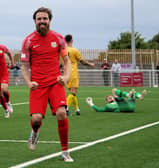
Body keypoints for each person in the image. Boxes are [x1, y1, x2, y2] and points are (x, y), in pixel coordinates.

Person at [21, 7, 73, 162]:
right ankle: (35, 132)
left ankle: (65, 151)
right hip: (38, 85)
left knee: (62, 113)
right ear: (35, 21)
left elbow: (66, 61)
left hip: (55, 83)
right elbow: (24, 66)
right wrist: (29, 82)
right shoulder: (28, 41)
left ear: (49, 20)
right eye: (39, 19)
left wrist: (66, 77)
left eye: (45, 19)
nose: (42, 21)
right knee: (36, 119)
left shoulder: (58, 39)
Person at [64, 34, 95, 116]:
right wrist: (90, 64)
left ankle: (77, 109)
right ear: (72, 40)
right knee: (73, 92)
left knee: (72, 92)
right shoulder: (74, 50)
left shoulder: (63, 50)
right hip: (73, 72)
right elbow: (82, 61)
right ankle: (66, 107)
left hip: (66, 73)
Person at [0, 44, 14, 118]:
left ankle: (8, 102)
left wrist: (12, 62)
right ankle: (6, 110)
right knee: (0, 94)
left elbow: (9, 53)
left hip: (3, 73)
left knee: (4, 90)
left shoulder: (2, 47)